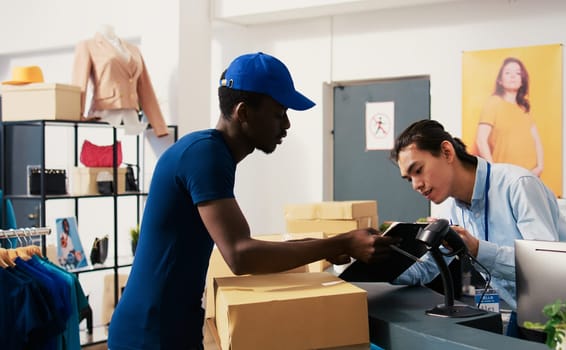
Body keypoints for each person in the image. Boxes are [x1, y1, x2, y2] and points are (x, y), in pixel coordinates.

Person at [107, 52, 396, 349]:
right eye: (278, 113)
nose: (286, 125)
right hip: (150, 332)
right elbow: (240, 254)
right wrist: (342, 243)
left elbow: (243, 244)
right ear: (243, 113)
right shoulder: (205, 155)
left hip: (170, 324)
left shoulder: (208, 151)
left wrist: (333, 242)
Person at [390, 119, 566, 335]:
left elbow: (543, 268)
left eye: (418, 170)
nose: (416, 185)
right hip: (521, 311)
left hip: (562, 318)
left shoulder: (518, 185)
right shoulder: (451, 210)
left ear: (447, 152)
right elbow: (427, 269)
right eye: (408, 179)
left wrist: (477, 249)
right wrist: (376, 261)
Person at [72, 24, 169, 137]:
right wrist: (77, 117)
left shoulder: (133, 49)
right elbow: (79, 84)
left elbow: (145, 88)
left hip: (131, 118)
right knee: (101, 151)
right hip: (104, 115)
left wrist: (159, 126)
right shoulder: (88, 45)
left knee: (125, 153)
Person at [475, 57, 544, 177]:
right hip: (506, 176)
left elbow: (536, 140)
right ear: (500, 80)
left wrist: (539, 167)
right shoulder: (493, 103)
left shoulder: (524, 107)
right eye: (507, 72)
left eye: (517, 73)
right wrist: (494, 172)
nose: (513, 76)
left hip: (530, 175)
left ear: (522, 80)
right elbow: (481, 140)